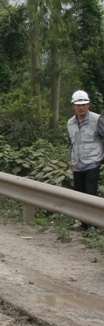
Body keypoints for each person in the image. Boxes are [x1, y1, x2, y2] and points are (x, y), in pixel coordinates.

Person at [67, 90, 104, 230]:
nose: (81, 107)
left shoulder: (97, 119)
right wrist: (71, 161)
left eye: (84, 104)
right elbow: (70, 144)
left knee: (90, 193)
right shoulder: (70, 123)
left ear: (88, 105)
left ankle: (92, 224)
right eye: (78, 104)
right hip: (77, 164)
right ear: (73, 106)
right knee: (79, 194)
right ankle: (83, 223)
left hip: (92, 162)